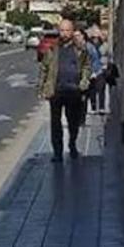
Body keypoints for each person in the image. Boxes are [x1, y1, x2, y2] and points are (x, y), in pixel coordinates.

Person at [41, 19, 93, 161]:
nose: (64, 33)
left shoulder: (80, 49)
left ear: (72, 31)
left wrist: (84, 82)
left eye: (67, 30)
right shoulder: (52, 49)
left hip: (73, 91)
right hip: (56, 90)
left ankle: (72, 144)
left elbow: (87, 66)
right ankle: (57, 152)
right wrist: (43, 88)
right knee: (55, 123)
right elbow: (44, 68)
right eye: (62, 30)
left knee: (73, 121)